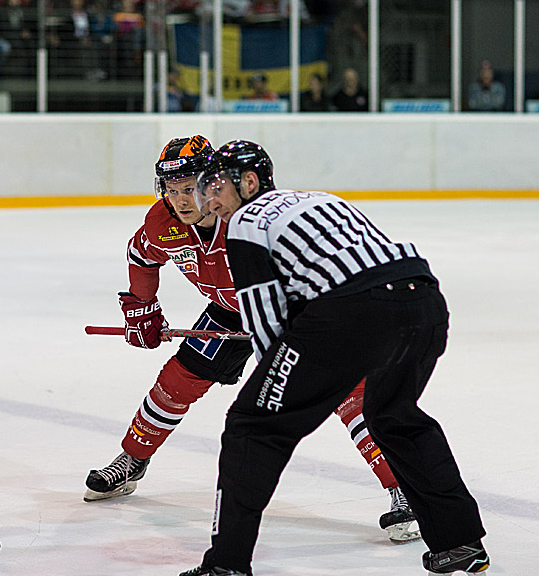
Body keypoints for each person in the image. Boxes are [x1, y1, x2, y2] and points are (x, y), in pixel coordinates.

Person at [177, 141, 489, 576]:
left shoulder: (245, 221)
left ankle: (225, 567)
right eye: (205, 189)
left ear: (250, 182)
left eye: (217, 186)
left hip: (354, 314)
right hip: (423, 302)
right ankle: (459, 544)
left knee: (253, 427)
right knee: (393, 416)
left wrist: (269, 392)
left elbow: (268, 322)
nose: (210, 200)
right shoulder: (319, 199)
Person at [84, 136, 420, 544]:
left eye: (189, 188)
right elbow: (141, 255)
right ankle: (132, 461)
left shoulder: (245, 217)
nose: (180, 201)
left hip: (289, 310)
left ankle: (402, 488)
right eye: (170, 190)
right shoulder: (162, 223)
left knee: (349, 395)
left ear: (212, 183)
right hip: (228, 311)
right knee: (176, 381)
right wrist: (141, 306)